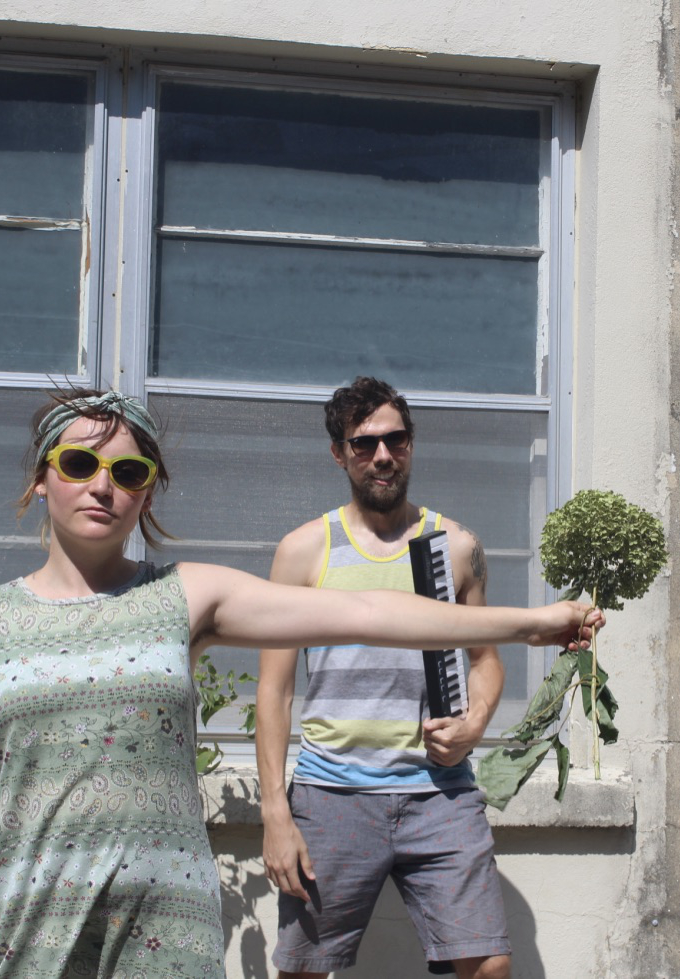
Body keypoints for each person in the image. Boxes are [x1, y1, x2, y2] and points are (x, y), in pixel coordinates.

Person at [0, 387, 603, 979]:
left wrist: (530, 622)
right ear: (41, 477)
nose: (103, 484)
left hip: (162, 928)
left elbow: (365, 609)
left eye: (130, 470)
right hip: (28, 921)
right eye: (79, 462)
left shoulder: (184, 595)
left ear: (147, 491)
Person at [257, 376, 538, 979]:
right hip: (331, 793)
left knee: (488, 965)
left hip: (439, 793)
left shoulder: (456, 546)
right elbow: (274, 691)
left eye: (396, 440)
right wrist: (276, 813)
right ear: (339, 453)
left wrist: (474, 726)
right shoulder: (305, 551)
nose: (383, 455)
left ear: (410, 445)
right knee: (303, 971)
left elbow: (486, 659)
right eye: (364, 444)